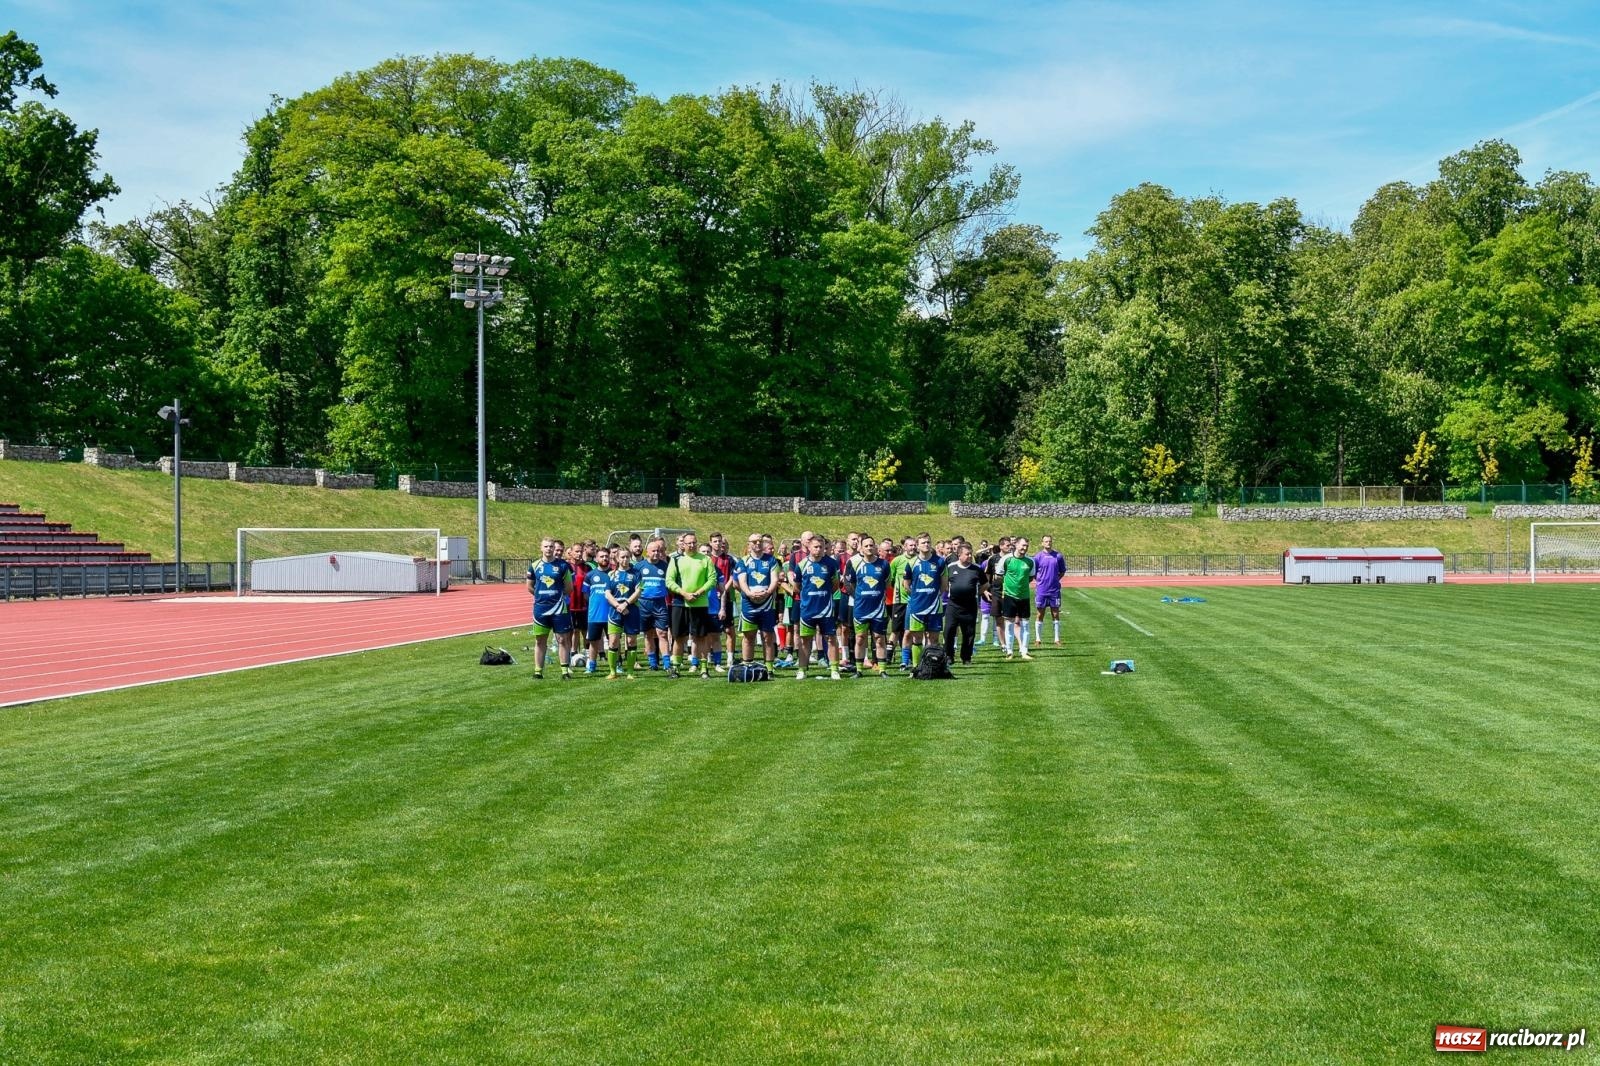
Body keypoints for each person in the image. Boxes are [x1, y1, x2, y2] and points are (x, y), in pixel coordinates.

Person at [665, 532, 717, 679]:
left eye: (694, 542)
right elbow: (669, 581)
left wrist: (699, 592)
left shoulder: (706, 559)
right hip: (680, 603)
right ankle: (675, 668)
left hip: (699, 604)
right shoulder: (675, 560)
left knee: (700, 637)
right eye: (689, 543)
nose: (692, 545)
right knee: (679, 637)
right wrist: (684, 593)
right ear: (683, 545)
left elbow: (712, 579)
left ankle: (703, 668)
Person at [791, 533, 841, 680]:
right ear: (809, 547)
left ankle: (834, 669)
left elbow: (835, 585)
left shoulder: (831, 563)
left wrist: (823, 594)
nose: (819, 549)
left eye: (821, 547)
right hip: (807, 609)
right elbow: (797, 586)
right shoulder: (802, 565)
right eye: (816, 547)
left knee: (831, 638)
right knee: (805, 639)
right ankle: (802, 669)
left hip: (826, 609)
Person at [527, 537, 574, 680]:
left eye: (551, 547)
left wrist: (558, 596)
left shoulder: (563, 566)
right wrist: (541, 596)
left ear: (555, 549)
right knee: (540, 640)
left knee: (562, 639)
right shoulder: (534, 566)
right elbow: (530, 586)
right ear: (541, 548)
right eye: (546, 546)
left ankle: (565, 671)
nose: (549, 549)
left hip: (559, 608)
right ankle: (538, 671)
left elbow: (569, 587)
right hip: (540, 609)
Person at [847, 534, 891, 674]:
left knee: (879, 638)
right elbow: (850, 583)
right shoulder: (853, 563)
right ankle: (859, 670)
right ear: (861, 547)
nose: (869, 548)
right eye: (866, 545)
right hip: (860, 608)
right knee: (860, 638)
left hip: (878, 608)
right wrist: (859, 596)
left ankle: (882, 670)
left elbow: (887, 583)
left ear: (875, 546)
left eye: (871, 545)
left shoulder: (883, 564)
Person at [736, 532, 781, 668]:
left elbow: (775, 579)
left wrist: (767, 593)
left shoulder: (771, 560)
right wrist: (749, 593)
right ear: (748, 544)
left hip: (766, 604)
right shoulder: (743, 561)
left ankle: (769, 667)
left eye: (759, 541)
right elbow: (741, 581)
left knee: (767, 636)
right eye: (754, 541)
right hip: (749, 603)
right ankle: (747, 665)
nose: (757, 544)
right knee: (748, 636)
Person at [903, 532, 948, 670]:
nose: (926, 545)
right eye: (923, 542)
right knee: (916, 639)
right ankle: (917, 668)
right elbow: (906, 585)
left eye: (928, 542)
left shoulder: (940, 562)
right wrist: (917, 596)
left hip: (934, 606)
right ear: (917, 545)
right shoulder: (911, 563)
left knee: (934, 639)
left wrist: (934, 596)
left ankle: (931, 667)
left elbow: (944, 585)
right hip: (917, 606)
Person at [943, 542, 986, 665]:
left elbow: (985, 584)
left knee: (969, 633)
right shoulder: (950, 567)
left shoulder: (976, 568)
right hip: (953, 605)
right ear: (959, 555)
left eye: (970, 554)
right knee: (949, 631)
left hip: (969, 606)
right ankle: (949, 656)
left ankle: (966, 657)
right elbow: (945, 583)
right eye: (967, 554)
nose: (969, 556)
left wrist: (976, 593)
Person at [634, 538, 672, 670]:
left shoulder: (665, 566)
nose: (656, 553)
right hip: (643, 604)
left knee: (662, 633)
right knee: (648, 634)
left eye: (658, 550)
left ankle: (667, 663)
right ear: (647, 552)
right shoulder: (639, 567)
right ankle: (652, 663)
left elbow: (670, 583)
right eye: (653, 551)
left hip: (660, 603)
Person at [605, 547, 642, 679]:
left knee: (631, 641)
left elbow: (638, 591)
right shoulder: (611, 574)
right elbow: (607, 593)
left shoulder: (636, 573)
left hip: (631, 609)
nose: (625, 559)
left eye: (627, 557)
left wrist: (626, 604)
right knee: (613, 641)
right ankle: (613, 671)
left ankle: (630, 672)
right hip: (615, 610)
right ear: (617, 558)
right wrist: (617, 605)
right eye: (622, 557)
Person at [1000, 536, 1036, 661]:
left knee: (1025, 624)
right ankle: (1009, 651)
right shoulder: (1006, 559)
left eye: (1027, 546)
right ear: (1016, 545)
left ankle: (1024, 651)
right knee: (1009, 624)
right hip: (1010, 596)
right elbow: (999, 575)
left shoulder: (1030, 561)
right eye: (1023, 545)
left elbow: (1031, 577)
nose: (1025, 548)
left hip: (1024, 597)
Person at [582, 545, 613, 676]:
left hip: (611, 614)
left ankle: (617, 665)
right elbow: (586, 594)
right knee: (593, 642)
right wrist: (595, 604)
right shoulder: (590, 575)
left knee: (614, 641)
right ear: (596, 558)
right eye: (601, 556)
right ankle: (592, 666)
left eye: (606, 556)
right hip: (594, 615)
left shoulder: (613, 574)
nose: (604, 558)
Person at [1033, 534, 1065, 646]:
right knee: (1040, 613)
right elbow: (1034, 572)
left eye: (1050, 541)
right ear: (1042, 543)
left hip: (1054, 590)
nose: (1048, 543)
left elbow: (1062, 571)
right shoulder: (1037, 557)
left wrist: (1055, 580)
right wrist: (1041, 581)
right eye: (1046, 541)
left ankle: (1056, 639)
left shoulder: (1058, 556)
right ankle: (1038, 639)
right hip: (1041, 590)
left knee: (1055, 614)